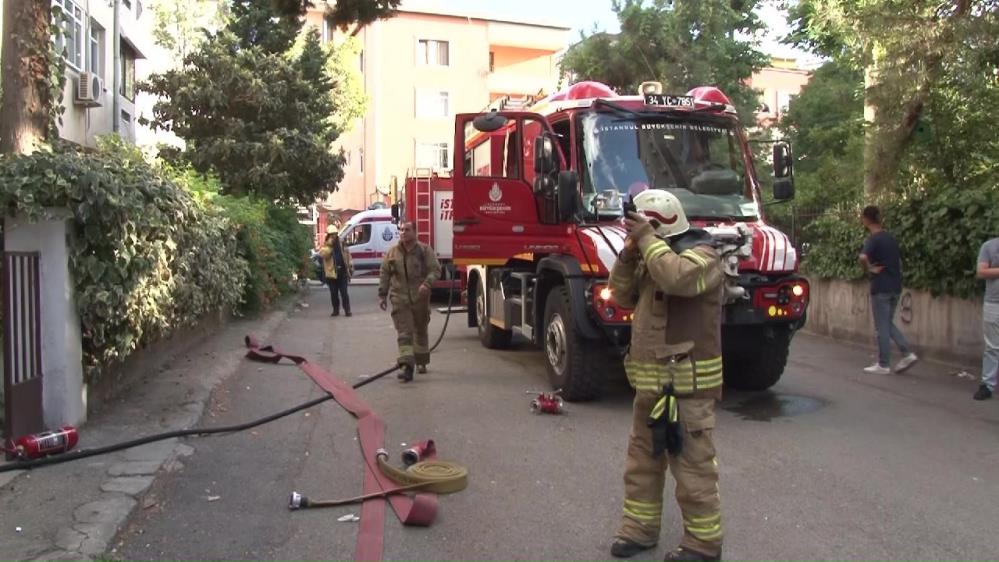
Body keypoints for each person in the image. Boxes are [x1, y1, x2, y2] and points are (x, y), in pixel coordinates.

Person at [608, 189, 726, 562]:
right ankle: (639, 531)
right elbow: (620, 295)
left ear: (661, 225)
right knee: (641, 464)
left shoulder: (702, 256)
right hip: (650, 388)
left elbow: (676, 280)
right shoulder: (650, 256)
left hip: (687, 389)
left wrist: (645, 240)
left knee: (692, 468)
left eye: (644, 226)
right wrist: (629, 254)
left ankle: (702, 545)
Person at [378, 221, 441, 382]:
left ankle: (421, 361)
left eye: (407, 230)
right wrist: (382, 295)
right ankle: (407, 365)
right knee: (404, 332)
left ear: (415, 232)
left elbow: (435, 270)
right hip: (399, 298)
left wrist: (427, 284)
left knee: (420, 330)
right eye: (401, 230)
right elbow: (384, 273)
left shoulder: (424, 251)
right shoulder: (392, 253)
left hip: (420, 298)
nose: (403, 232)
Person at [858, 205, 918, 374]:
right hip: (895, 286)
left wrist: (869, 268)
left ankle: (884, 364)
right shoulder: (891, 238)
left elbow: (862, 257)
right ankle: (907, 354)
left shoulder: (873, 239)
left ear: (866, 219)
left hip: (881, 287)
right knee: (887, 324)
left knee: (882, 327)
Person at [973, 236, 999, 400]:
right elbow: (981, 271)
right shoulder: (989, 246)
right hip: (994, 304)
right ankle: (987, 385)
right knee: (992, 347)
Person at [319, 229, 353, 317]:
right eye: (332, 235)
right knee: (334, 294)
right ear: (329, 236)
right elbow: (323, 255)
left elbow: (348, 256)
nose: (334, 237)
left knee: (344, 293)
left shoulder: (342, 244)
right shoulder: (326, 246)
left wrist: (350, 267)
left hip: (342, 273)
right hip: (332, 274)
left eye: (335, 234)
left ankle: (347, 310)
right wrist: (330, 246)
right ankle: (335, 310)